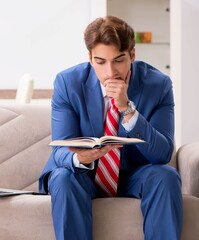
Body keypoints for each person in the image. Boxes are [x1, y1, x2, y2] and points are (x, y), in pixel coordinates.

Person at [39, 16, 182, 240]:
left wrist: (128, 110)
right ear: (89, 58)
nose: (110, 72)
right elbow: (59, 151)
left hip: (135, 174)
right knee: (62, 177)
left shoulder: (159, 85)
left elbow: (163, 153)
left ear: (132, 55)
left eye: (118, 60)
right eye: (100, 62)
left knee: (166, 176)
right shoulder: (68, 83)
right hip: (85, 174)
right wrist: (82, 159)